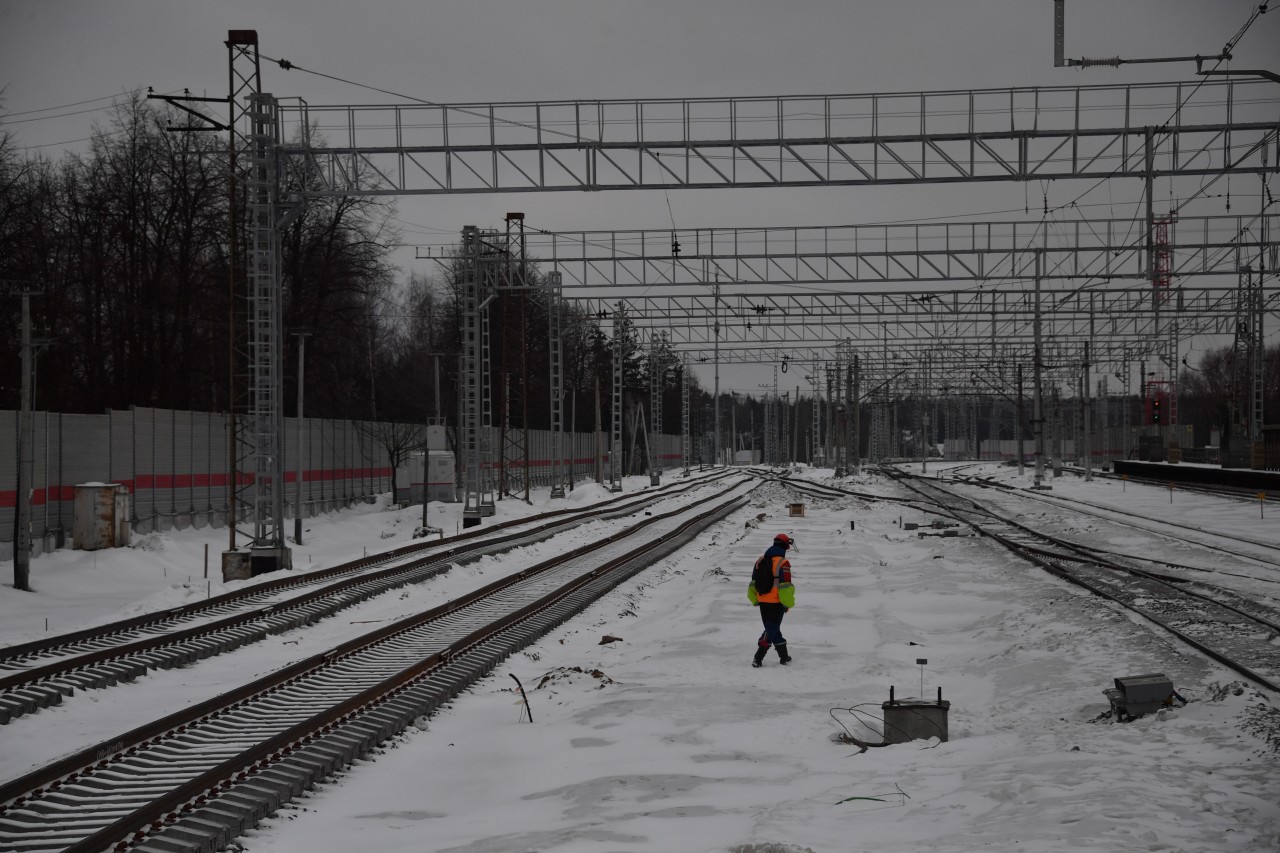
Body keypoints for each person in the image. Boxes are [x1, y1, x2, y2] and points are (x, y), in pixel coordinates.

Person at [748, 533, 795, 667]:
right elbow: (785, 586)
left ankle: (775, 657)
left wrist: (755, 599)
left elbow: (753, 583)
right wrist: (787, 603)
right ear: (785, 546)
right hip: (777, 603)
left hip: (763, 601)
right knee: (772, 630)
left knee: (770, 629)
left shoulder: (760, 561)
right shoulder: (783, 562)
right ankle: (762, 658)